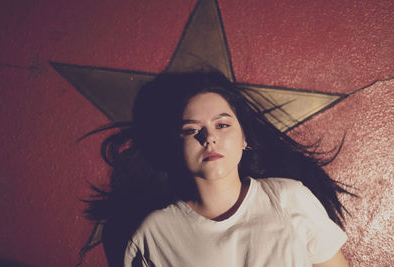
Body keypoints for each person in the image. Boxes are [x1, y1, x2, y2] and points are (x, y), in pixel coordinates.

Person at [81, 70, 353, 267]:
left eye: (222, 125)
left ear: (244, 137)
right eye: (191, 130)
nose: (209, 137)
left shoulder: (288, 198)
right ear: (176, 146)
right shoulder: (152, 235)